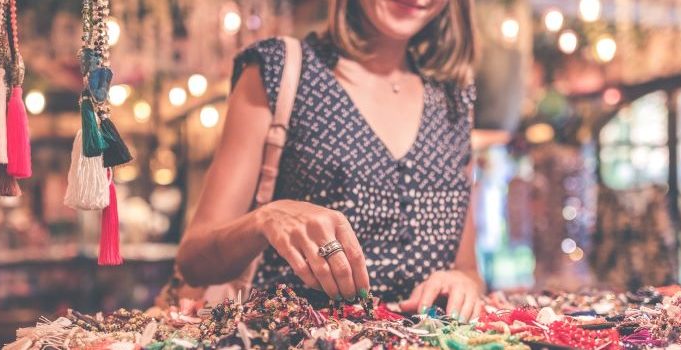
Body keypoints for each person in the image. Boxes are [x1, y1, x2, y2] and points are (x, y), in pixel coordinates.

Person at [177, 0, 483, 321]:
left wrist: (463, 282)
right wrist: (265, 219)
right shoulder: (280, 68)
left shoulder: (454, 96)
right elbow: (194, 261)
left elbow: (468, 269)